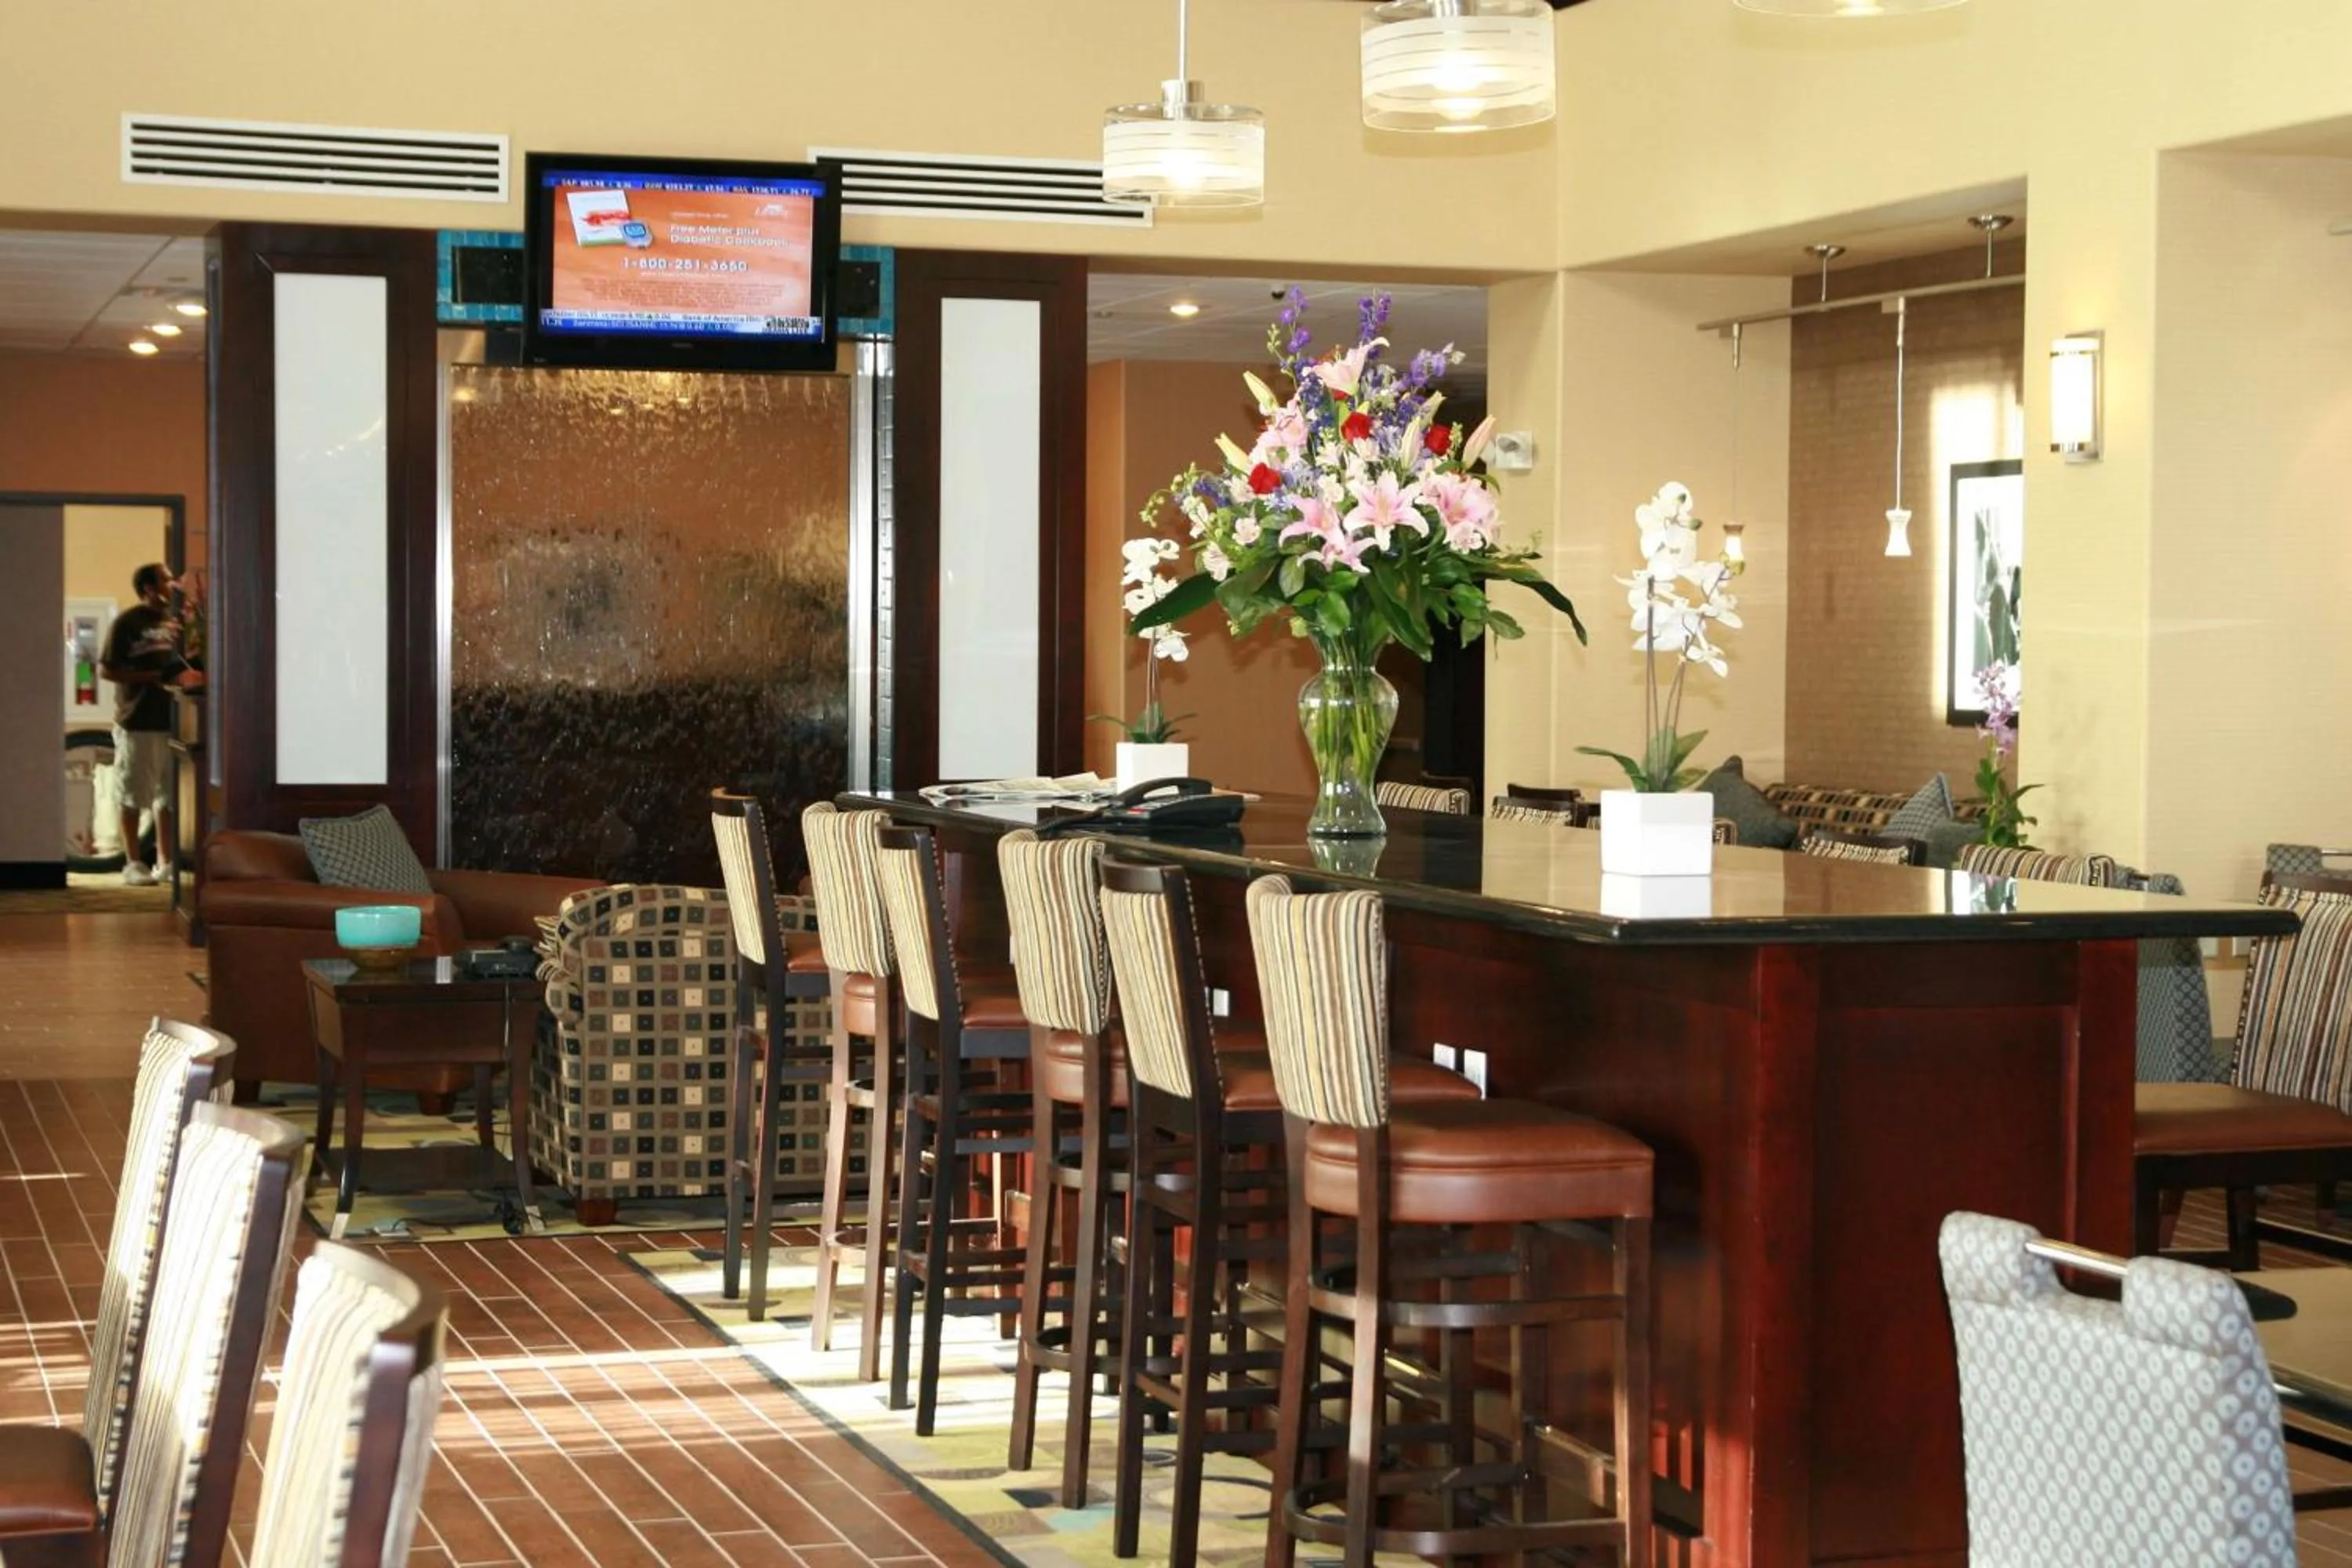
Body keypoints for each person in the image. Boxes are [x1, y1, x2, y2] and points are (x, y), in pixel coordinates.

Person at [99, 564, 200, 887]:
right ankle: (132, 863)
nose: (173, 583)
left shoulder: (180, 623)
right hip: (138, 722)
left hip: (174, 722)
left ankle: (165, 861)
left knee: (167, 796)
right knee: (133, 793)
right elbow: (108, 669)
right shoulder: (128, 622)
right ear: (148, 589)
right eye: (165, 579)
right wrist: (152, 678)